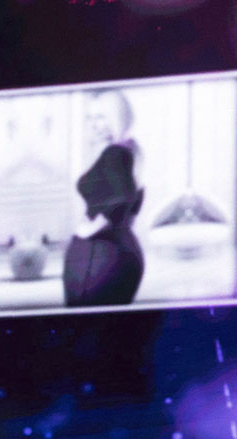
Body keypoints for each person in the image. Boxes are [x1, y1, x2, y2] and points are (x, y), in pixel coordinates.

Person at [63, 89, 145, 307]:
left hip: (102, 257)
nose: (93, 124)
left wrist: (90, 229)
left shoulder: (115, 154)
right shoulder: (130, 150)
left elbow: (123, 198)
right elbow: (134, 201)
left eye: (100, 117)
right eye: (89, 118)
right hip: (117, 252)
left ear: (117, 117)